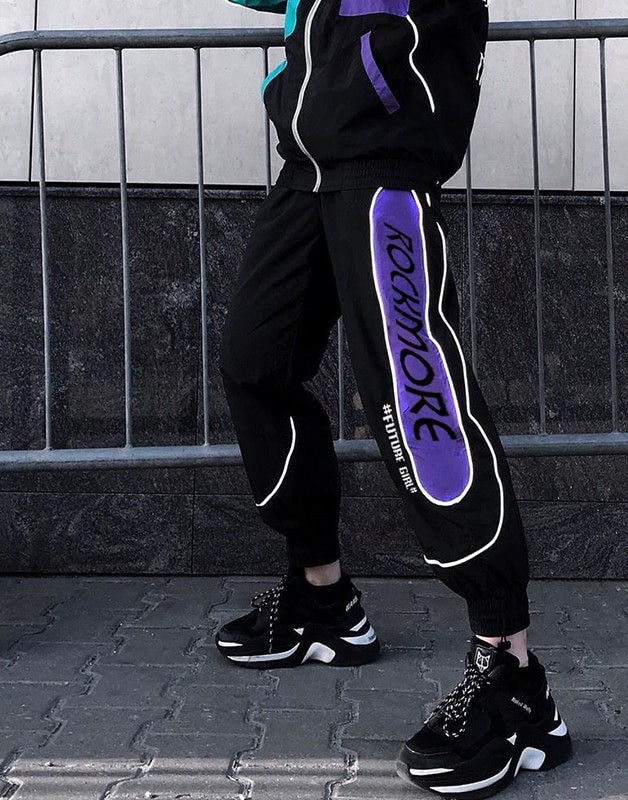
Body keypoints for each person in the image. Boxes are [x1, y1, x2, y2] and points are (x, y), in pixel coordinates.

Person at [215, 0, 571, 795]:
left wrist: (367, 73)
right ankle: (322, 599)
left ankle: (514, 677)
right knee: (254, 363)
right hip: (310, 160)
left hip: (384, 157)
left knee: (421, 408)